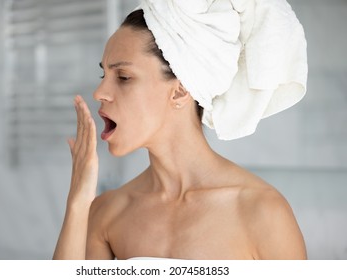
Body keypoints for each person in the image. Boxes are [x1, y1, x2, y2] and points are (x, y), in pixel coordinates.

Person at [53, 0, 307, 260]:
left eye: (123, 77)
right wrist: (78, 201)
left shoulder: (262, 213)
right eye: (103, 76)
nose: (99, 93)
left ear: (180, 91)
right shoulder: (107, 212)